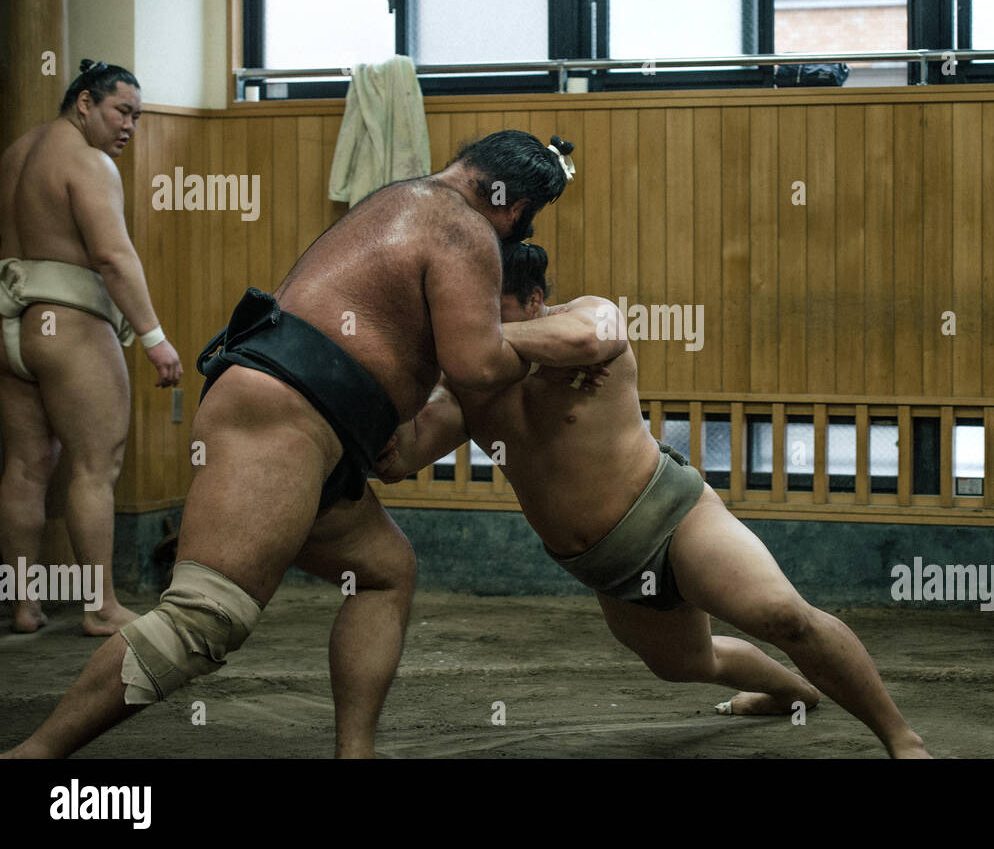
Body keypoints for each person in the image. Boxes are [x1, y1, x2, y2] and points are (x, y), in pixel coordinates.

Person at [3, 131, 584, 759]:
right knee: (205, 618)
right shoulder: (464, 227)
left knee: (383, 572)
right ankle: (33, 756)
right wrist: (547, 347)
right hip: (286, 413)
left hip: (319, 426)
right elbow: (474, 365)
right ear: (515, 206)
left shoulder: (400, 199)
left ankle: (353, 753)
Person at [374, 241, 932, 758]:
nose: (467, 326)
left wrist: (478, 345)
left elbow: (591, 339)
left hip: (674, 519)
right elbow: (398, 460)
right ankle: (792, 695)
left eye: (488, 310)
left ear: (535, 299)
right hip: (607, 567)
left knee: (782, 616)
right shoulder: (467, 390)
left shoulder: (586, 318)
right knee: (689, 663)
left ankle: (901, 740)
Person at [0, 59, 183, 636]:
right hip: (69, 322)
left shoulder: (16, 154)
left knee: (26, 466)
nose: (129, 126)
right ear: (84, 102)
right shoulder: (89, 161)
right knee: (94, 466)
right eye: (120, 111)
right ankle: (100, 606)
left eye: (137, 115)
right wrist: (154, 338)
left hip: (10, 326)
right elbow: (113, 257)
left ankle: (24, 605)